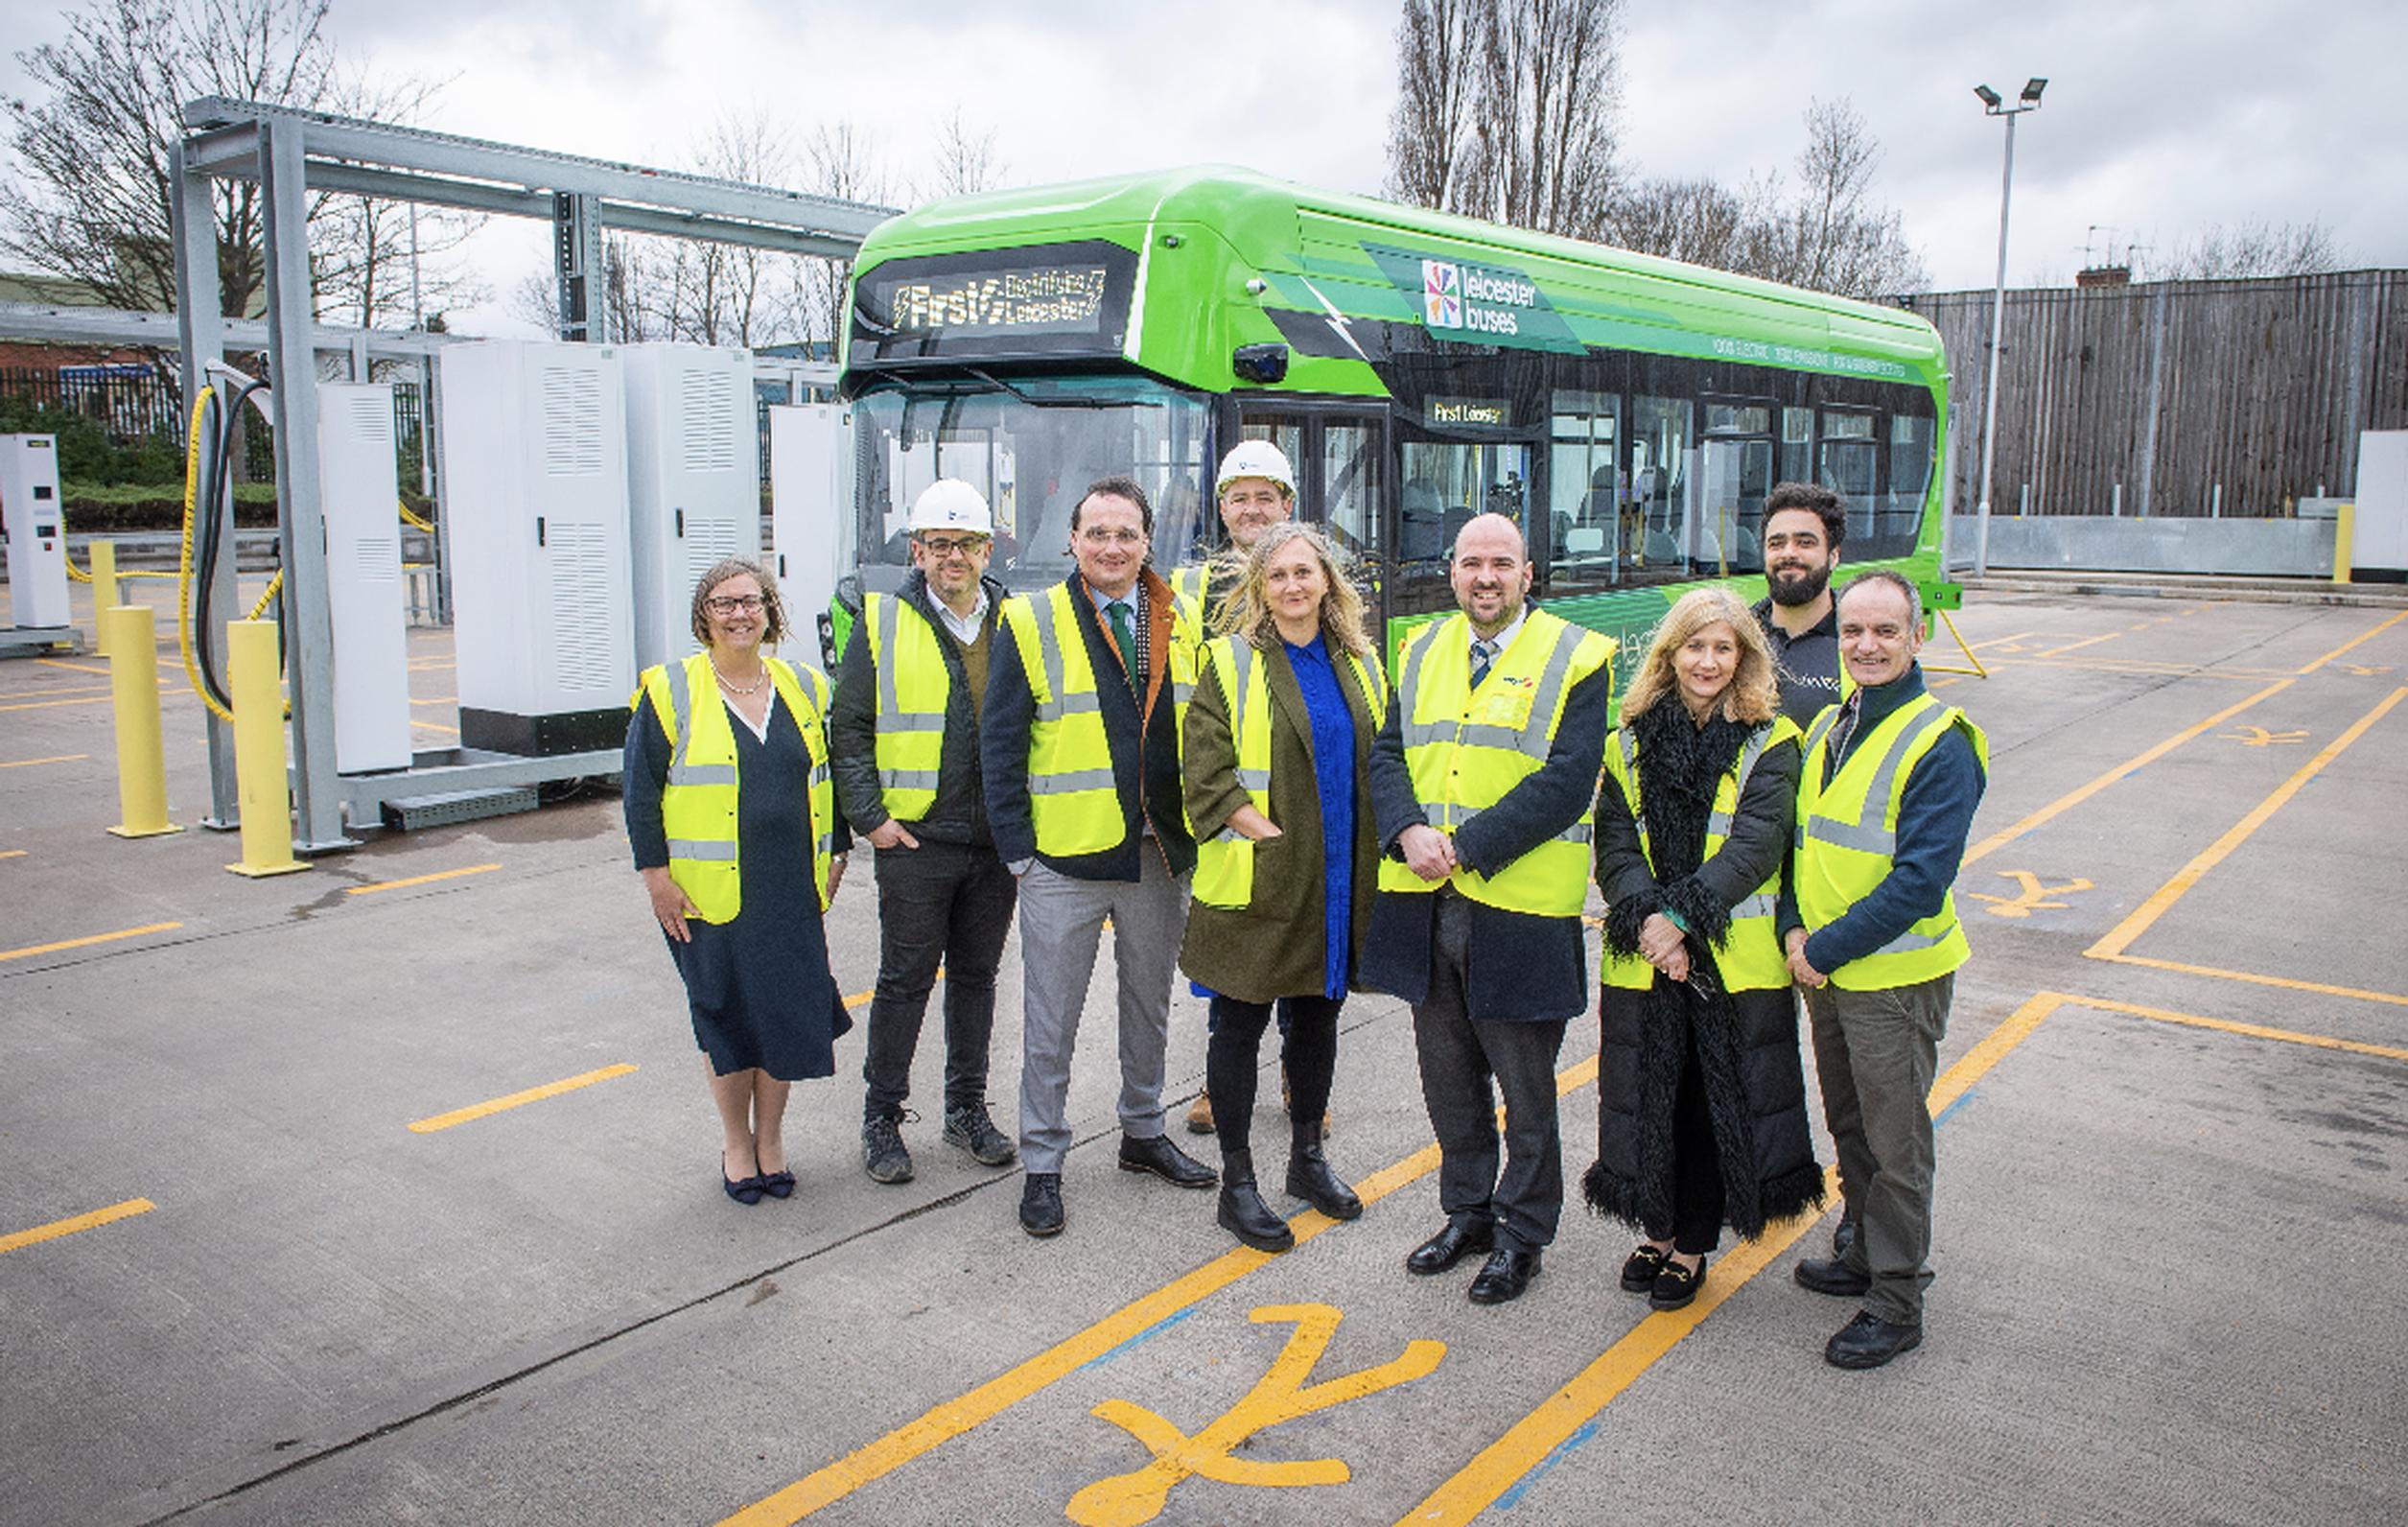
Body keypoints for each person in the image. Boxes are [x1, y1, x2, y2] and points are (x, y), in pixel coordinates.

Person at [1364, 512, 1615, 1304]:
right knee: (1447, 1080)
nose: (1484, 577)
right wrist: (1406, 828)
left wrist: (1462, 846)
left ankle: (1521, 1234)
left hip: (1516, 911)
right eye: (1471, 562)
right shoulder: (1419, 647)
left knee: (1526, 1091)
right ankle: (1466, 1213)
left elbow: (1569, 780)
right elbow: (1387, 753)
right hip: (1425, 903)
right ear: (1452, 572)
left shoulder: (1577, 657)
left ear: (1527, 575)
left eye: (1500, 563)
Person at [982, 474, 1217, 1238]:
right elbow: (1001, 741)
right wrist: (1019, 853)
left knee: (1148, 1007)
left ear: (1147, 542)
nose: (1111, 547)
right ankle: (1043, 1164)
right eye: (1097, 534)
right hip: (1063, 857)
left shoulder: (1176, 616)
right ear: (1073, 542)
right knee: (1050, 1021)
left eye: (1125, 534)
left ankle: (1142, 1134)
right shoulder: (1031, 619)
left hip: (1157, 851)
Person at [1585, 587, 1821, 1312]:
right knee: (1645, 1096)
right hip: (1649, 955)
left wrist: (1677, 922)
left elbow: (1755, 846)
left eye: (1723, 648)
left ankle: (1689, 1244)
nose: (1707, 661)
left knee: (1706, 1103)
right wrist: (1651, 927)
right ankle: (1654, 1228)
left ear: (1744, 659)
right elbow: (1614, 842)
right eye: (1694, 646)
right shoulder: (1625, 739)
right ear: (1669, 654)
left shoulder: (1770, 740)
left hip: (1730, 960)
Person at [1782, 569, 1988, 1370]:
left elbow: (1919, 880)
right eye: (1853, 633)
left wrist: (1817, 949)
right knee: (1851, 1128)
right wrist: (1799, 927)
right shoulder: (1834, 722)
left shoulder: (1940, 742)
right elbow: (1808, 840)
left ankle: (1897, 1300)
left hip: (1891, 979)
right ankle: (1864, 1249)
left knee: (1895, 1143)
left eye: (1884, 632)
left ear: (1917, 637)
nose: (1866, 646)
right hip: (1829, 972)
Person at [1179, 523, 1383, 1252]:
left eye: (1305, 573)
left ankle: (1306, 1160)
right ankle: (1237, 1185)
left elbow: (1380, 761)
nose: (1293, 587)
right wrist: (1272, 843)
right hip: (1261, 883)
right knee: (1237, 1028)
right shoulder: (1231, 663)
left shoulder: (1359, 662)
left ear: (1327, 581)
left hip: (1335, 882)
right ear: (1259, 589)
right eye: (1277, 577)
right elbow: (1204, 776)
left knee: (1317, 1022)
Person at [624, 557, 850, 1206]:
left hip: (789, 884)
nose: (739, 613)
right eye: (723, 604)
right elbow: (641, 795)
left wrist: (836, 853)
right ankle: (735, 1143)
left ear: (769, 612)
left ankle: (771, 1140)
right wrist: (656, 879)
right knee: (725, 1014)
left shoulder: (805, 686)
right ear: (704, 617)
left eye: (750, 601)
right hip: (704, 891)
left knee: (778, 1013)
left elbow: (828, 778)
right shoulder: (669, 690)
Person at [830, 479, 1017, 1186]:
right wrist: (870, 819)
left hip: (994, 841)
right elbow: (847, 727)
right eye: (938, 544)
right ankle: (882, 1118)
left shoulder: (1015, 620)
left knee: (976, 978)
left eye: (965, 543)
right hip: (914, 841)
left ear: (985, 548)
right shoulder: (881, 621)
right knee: (904, 981)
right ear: (917, 550)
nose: (953, 557)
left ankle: (965, 1108)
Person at [1171, 440, 1318, 1139]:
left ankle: (1298, 1078)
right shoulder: (1192, 590)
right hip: (1228, 799)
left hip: (1302, 793)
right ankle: (1215, 1082)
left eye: (1265, 495)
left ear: (1286, 504)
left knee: (1303, 951)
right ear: (1222, 508)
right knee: (1231, 953)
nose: (1251, 508)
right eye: (1238, 497)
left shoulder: (1313, 577)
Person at [1752, 482, 1846, 732]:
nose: (1788, 554)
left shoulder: (1857, 641)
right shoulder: (1738, 635)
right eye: (1776, 543)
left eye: (1805, 543)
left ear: (1833, 556)